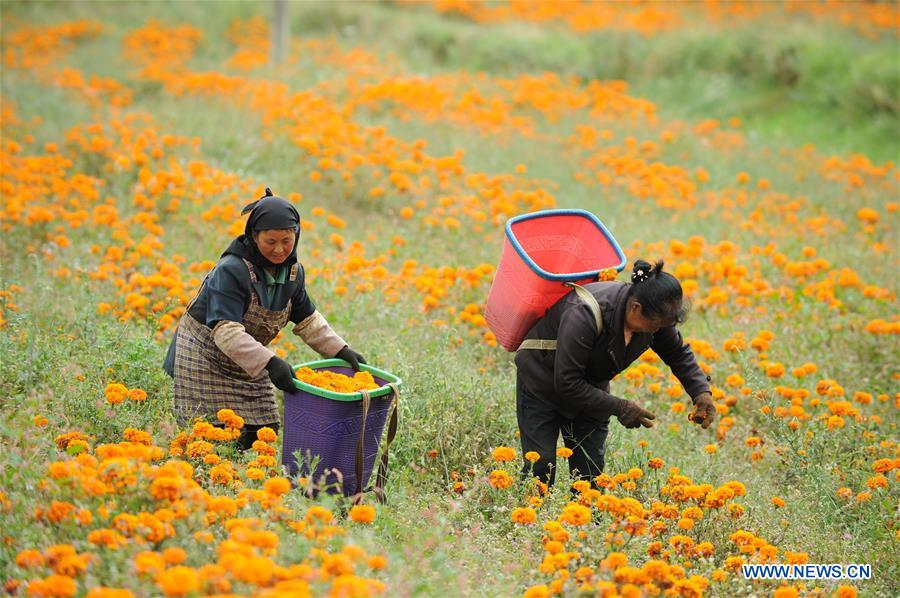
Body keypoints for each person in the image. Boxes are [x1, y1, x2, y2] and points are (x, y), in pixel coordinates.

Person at [163, 188, 366, 449]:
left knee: (263, 431)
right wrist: (271, 363)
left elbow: (307, 319)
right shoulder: (232, 270)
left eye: (287, 240)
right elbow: (225, 331)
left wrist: (342, 349)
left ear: (297, 236)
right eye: (270, 242)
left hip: (246, 360)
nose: (279, 250)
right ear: (254, 237)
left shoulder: (293, 273)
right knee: (212, 436)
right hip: (205, 357)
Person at [514, 259, 715, 487]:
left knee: (590, 474)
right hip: (542, 384)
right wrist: (621, 407)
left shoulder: (655, 317)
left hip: (590, 389)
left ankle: (585, 521)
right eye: (658, 324)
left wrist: (701, 392)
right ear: (636, 308)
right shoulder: (585, 314)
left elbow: (677, 352)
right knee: (540, 467)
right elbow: (568, 382)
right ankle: (530, 519)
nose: (660, 331)